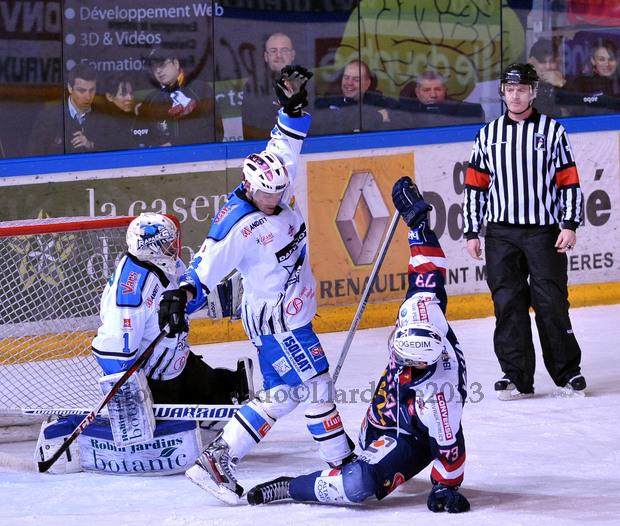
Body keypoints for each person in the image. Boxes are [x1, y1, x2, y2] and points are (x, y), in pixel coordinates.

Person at [158, 66, 355, 504]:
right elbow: (203, 272)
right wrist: (180, 297)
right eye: (271, 195)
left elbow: (286, 142)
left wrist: (292, 108)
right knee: (318, 383)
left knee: (281, 395)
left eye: (283, 191)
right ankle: (342, 462)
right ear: (250, 187)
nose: (280, 198)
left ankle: (218, 458)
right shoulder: (237, 225)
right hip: (277, 321)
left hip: (290, 311)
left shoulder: (274, 180)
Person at [246, 177, 470, 514]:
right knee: (365, 449)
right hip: (386, 412)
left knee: (358, 483)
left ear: (425, 362)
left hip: (410, 436)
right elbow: (427, 269)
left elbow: (451, 449)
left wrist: (445, 485)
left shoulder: (440, 400)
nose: (396, 356)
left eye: (406, 359)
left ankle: (290, 486)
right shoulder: (422, 310)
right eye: (398, 348)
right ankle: (361, 450)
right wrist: (418, 226)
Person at [35, 213, 253, 476]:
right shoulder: (130, 293)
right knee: (165, 432)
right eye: (167, 244)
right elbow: (112, 349)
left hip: (178, 361)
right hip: (155, 381)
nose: (174, 248)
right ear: (150, 247)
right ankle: (63, 431)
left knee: (224, 394)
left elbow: (184, 295)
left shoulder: (163, 264)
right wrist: (130, 394)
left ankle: (213, 398)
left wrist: (216, 298)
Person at [463, 63, 586, 401]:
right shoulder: (487, 135)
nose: (515, 95)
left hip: (544, 233)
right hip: (501, 234)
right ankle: (517, 377)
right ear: (503, 92)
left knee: (551, 302)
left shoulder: (553, 132)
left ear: (533, 92)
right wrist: (472, 231)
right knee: (508, 304)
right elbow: (475, 186)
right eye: (510, 89)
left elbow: (569, 182)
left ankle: (567, 372)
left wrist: (570, 223)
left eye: (522, 89)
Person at [135, 48, 221, 147]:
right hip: (164, 160)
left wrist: (175, 145)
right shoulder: (150, 100)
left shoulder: (201, 90)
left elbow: (216, 132)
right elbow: (140, 136)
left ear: (175, 63)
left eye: (162, 65)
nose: (158, 71)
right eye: (154, 67)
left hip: (202, 158)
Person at [29, 64, 105, 155]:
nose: (88, 96)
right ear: (70, 88)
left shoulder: (104, 116)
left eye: (92, 90)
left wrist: (90, 145)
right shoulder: (48, 117)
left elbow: (114, 148)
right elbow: (35, 153)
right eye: (81, 91)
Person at [241, 32, 297, 139]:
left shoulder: (308, 83)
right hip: (265, 148)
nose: (279, 55)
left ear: (292, 55)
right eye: (273, 51)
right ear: (266, 57)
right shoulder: (253, 85)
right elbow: (248, 129)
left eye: (284, 50)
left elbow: (317, 125)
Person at [313, 60, 391, 134]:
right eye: (346, 78)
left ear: (367, 83)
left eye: (356, 79)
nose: (349, 83)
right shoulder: (325, 103)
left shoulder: (379, 103)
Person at [397, 70, 485, 127]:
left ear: (445, 90)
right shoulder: (405, 113)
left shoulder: (462, 109)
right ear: (417, 92)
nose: (433, 95)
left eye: (438, 89)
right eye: (427, 90)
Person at [563, 38, 620, 114]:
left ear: (617, 61)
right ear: (593, 61)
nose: (607, 64)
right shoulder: (581, 83)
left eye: (611, 59)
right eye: (602, 59)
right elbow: (575, 110)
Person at [96, 73, 140, 151]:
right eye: (123, 94)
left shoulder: (134, 115)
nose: (130, 98)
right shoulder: (102, 124)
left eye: (131, 93)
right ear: (109, 96)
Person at [527, 39, 569, 117]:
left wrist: (562, 85)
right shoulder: (525, 88)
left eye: (552, 61)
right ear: (531, 63)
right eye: (542, 62)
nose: (548, 67)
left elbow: (577, 111)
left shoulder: (563, 83)